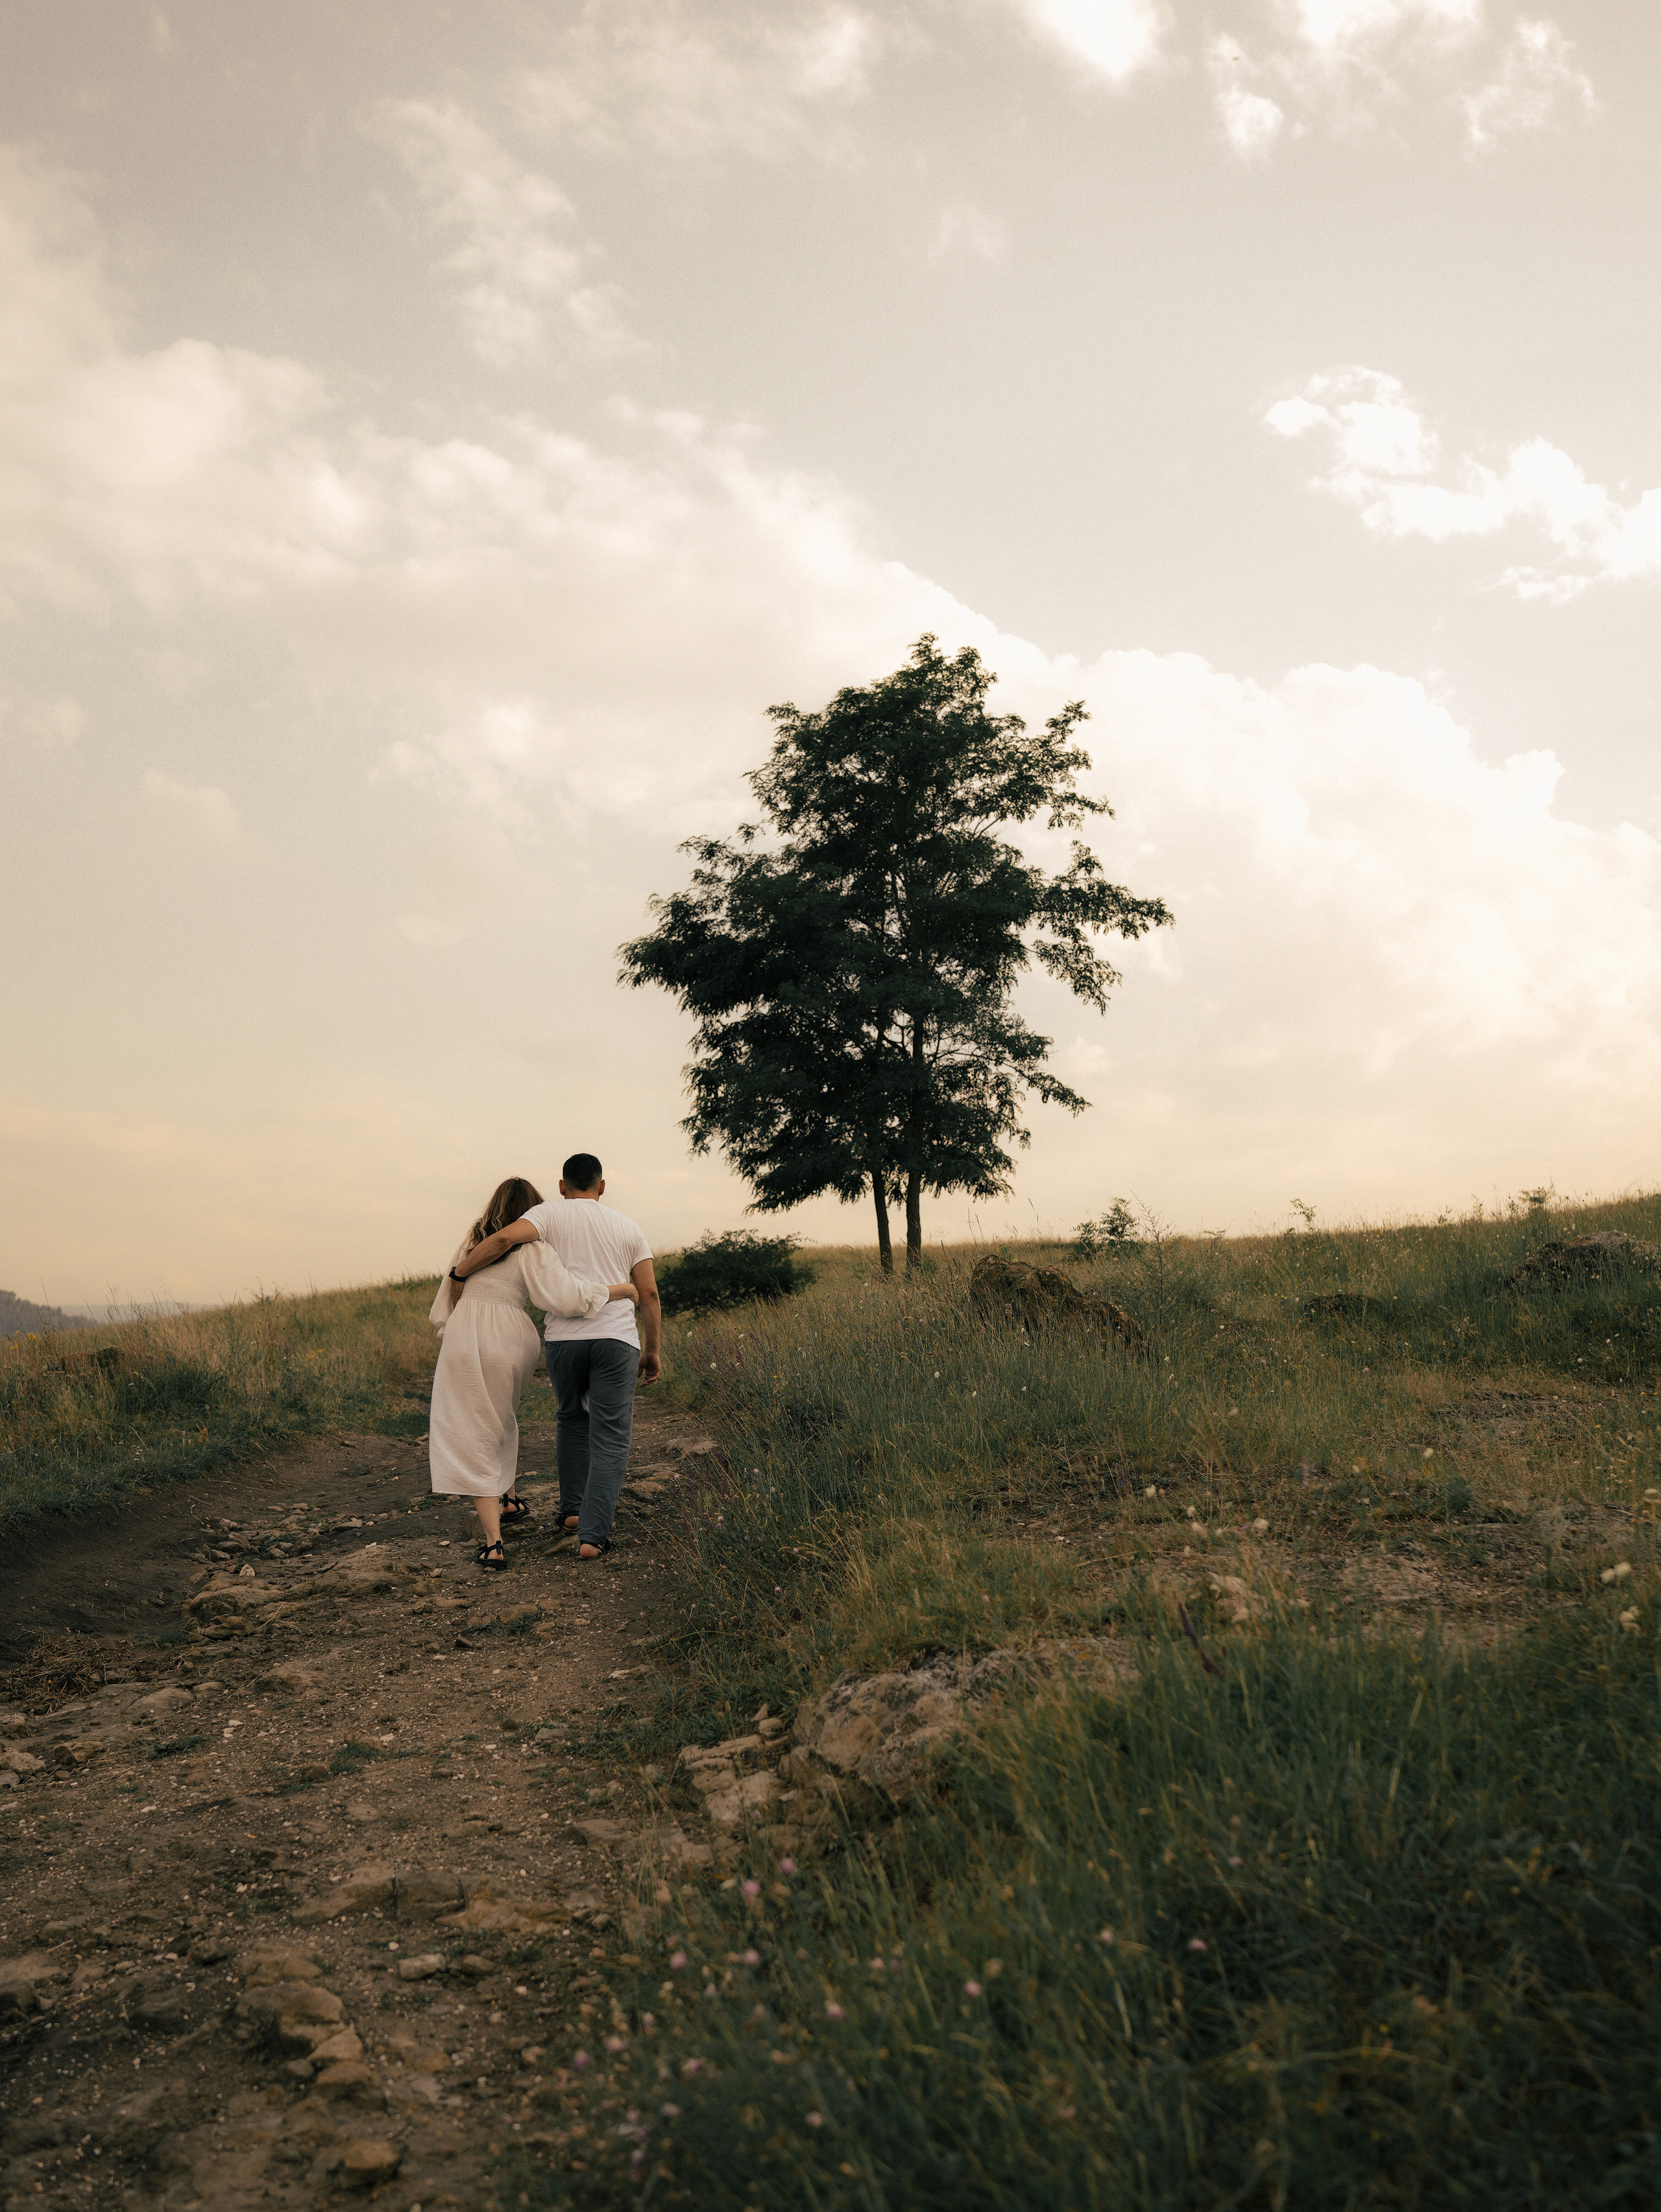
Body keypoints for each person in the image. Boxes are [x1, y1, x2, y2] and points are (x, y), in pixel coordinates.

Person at [452, 1153, 659, 1559]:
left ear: (562, 1186)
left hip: (565, 1340)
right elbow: (649, 1293)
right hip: (616, 1339)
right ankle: (593, 1537)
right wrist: (652, 1350)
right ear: (602, 1186)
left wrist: (460, 1272)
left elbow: (503, 1240)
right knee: (611, 1435)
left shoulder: (546, 1215)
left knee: (571, 1417)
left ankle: (572, 1512)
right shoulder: (629, 1226)